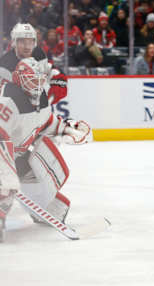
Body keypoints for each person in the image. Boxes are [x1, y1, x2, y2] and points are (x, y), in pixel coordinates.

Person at [0, 57, 93, 242]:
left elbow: (50, 123)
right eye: (31, 79)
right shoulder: (8, 99)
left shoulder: (40, 101)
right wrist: (6, 173)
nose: (36, 84)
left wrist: (70, 128)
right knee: (5, 188)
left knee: (51, 201)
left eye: (38, 79)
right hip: (4, 156)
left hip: (16, 158)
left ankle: (41, 208)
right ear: (19, 79)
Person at [0, 23, 67, 106]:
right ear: (14, 42)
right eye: (22, 41)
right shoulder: (5, 64)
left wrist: (58, 83)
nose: (27, 46)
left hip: (36, 105)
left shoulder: (39, 54)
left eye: (30, 41)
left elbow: (53, 71)